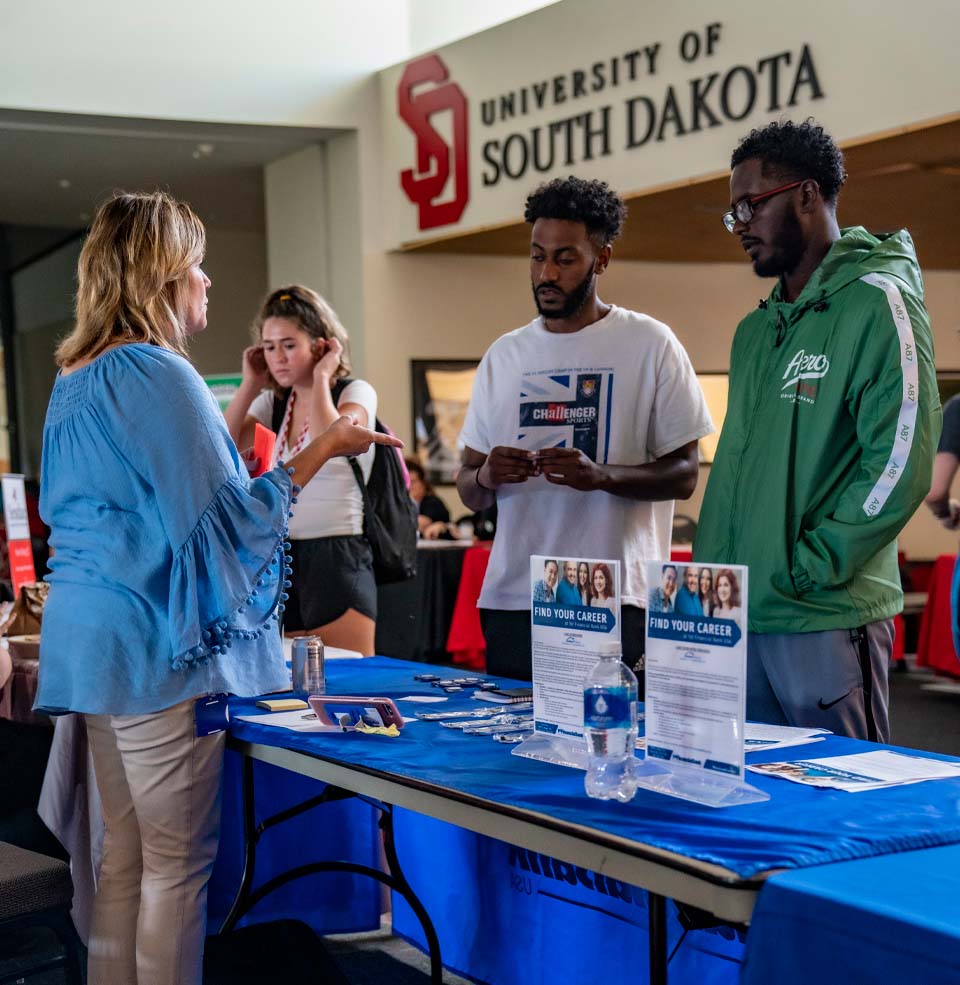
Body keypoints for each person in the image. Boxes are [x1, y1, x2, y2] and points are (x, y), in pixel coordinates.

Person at [34, 191, 399, 985]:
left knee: (120, 864)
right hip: (156, 648)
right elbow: (227, 522)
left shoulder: (74, 375)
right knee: (174, 869)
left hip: (93, 646)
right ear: (163, 276)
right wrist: (326, 446)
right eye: (196, 266)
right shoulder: (159, 372)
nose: (207, 281)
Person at [695, 119, 941, 743]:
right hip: (736, 616)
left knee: (838, 809)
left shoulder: (878, 302)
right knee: (747, 808)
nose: (741, 226)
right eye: (733, 215)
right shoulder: (757, 332)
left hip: (822, 613)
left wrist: (810, 566)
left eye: (750, 205)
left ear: (806, 195)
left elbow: (902, 454)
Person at [457, 176, 712, 681]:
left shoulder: (650, 343)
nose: (546, 273)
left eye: (565, 258)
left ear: (602, 259)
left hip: (617, 594)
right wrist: (487, 475)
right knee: (510, 751)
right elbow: (469, 487)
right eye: (536, 256)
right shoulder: (504, 355)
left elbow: (684, 474)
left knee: (614, 749)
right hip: (516, 595)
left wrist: (601, 477)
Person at [224, 285, 380, 655]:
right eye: (268, 346)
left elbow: (337, 440)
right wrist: (250, 384)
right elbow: (222, 445)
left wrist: (323, 379)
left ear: (322, 345)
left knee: (347, 682)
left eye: (289, 345)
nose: (277, 356)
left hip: (337, 553)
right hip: (283, 554)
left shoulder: (355, 391)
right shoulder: (274, 402)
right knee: (291, 689)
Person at [405, 457, 453, 539]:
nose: (409, 487)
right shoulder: (405, 503)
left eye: (413, 482)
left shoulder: (432, 502)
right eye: (406, 483)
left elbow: (421, 523)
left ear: (423, 483)